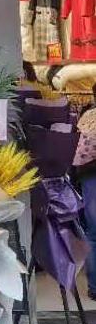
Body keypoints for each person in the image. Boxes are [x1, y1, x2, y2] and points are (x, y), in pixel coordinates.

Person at [74, 105, 96, 300]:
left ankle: (95, 287)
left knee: (94, 234)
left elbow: (79, 153)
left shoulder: (89, 116)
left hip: (91, 176)